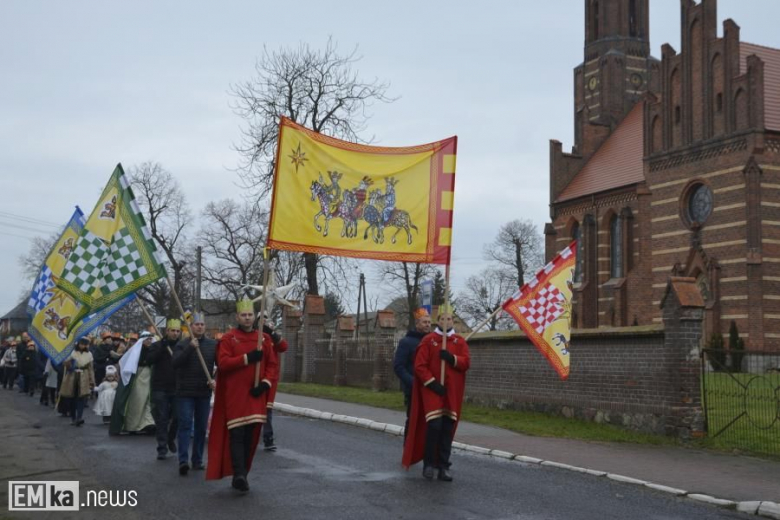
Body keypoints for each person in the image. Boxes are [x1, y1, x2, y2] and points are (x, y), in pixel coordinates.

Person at [207, 297, 278, 492]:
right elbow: (223, 364)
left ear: (254, 316)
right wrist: (247, 358)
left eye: (250, 315)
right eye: (243, 315)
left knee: (251, 436)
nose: (247, 318)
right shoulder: (229, 339)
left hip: (256, 395)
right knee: (236, 434)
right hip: (235, 395)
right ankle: (239, 474)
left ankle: (243, 473)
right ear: (237, 317)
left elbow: (272, 364)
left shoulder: (264, 339)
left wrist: (265, 383)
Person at [402, 304, 470, 482]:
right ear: (437, 321)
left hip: (451, 392)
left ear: (452, 321)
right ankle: (429, 464)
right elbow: (419, 366)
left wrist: (452, 358)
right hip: (433, 390)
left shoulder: (459, 342)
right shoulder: (428, 341)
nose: (445, 322)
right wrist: (432, 384)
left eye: (449, 319)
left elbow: (466, 363)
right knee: (434, 426)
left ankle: (443, 466)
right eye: (442, 319)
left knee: (447, 428)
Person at [172, 312, 216, 476]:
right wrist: (190, 348)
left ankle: (197, 460)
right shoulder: (182, 344)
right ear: (191, 327)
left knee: (201, 427)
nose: (199, 327)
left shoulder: (212, 345)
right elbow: (175, 363)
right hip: (185, 392)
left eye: (202, 324)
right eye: (196, 324)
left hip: (203, 392)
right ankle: (183, 461)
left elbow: (220, 364)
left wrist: (214, 379)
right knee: (185, 425)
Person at [393, 308, 432, 438]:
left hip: (430, 387)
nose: (427, 325)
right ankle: (408, 449)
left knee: (430, 421)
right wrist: (413, 382)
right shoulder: (407, 342)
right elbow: (398, 366)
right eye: (424, 322)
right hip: (413, 389)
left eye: (429, 322)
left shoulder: (433, 341)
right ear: (417, 324)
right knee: (413, 420)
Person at [147, 319, 181, 460]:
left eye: (177, 331)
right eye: (172, 330)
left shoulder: (182, 346)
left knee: (178, 417)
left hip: (177, 387)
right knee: (162, 419)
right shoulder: (157, 345)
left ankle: (170, 438)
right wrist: (162, 347)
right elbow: (149, 360)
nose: (175, 333)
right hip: (160, 387)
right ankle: (162, 447)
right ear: (167, 331)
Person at [254, 313, 288, 452]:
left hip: (270, 378)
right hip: (256, 376)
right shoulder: (255, 335)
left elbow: (284, 347)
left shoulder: (273, 337)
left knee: (267, 410)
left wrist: (272, 333)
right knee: (254, 409)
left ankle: (268, 438)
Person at [110, 332, 156, 435]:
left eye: (150, 339)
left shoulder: (154, 349)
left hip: (150, 378)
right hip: (138, 377)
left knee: (149, 401)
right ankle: (133, 425)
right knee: (138, 401)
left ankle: (148, 424)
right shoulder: (136, 351)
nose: (149, 341)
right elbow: (128, 363)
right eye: (147, 339)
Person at [60, 337, 96, 426]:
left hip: (84, 376)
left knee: (81, 398)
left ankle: (79, 417)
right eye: (81, 344)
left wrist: (92, 381)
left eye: (85, 344)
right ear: (78, 344)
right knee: (73, 398)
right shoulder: (72, 352)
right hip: (73, 376)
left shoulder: (89, 354)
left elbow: (90, 368)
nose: (83, 346)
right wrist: (68, 363)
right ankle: (73, 417)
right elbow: (65, 364)